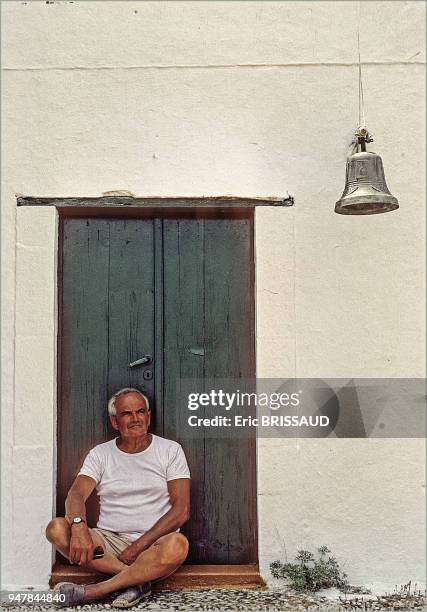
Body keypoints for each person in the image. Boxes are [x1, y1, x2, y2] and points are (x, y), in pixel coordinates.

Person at [46, 388, 191, 608]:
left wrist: (138, 547)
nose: (135, 419)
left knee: (178, 544)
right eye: (127, 414)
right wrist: (78, 526)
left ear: (148, 417)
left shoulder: (170, 450)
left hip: (154, 544)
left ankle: (95, 591)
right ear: (115, 422)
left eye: (140, 412)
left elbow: (181, 511)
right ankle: (137, 581)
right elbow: (76, 494)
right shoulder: (100, 454)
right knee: (56, 529)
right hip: (108, 542)